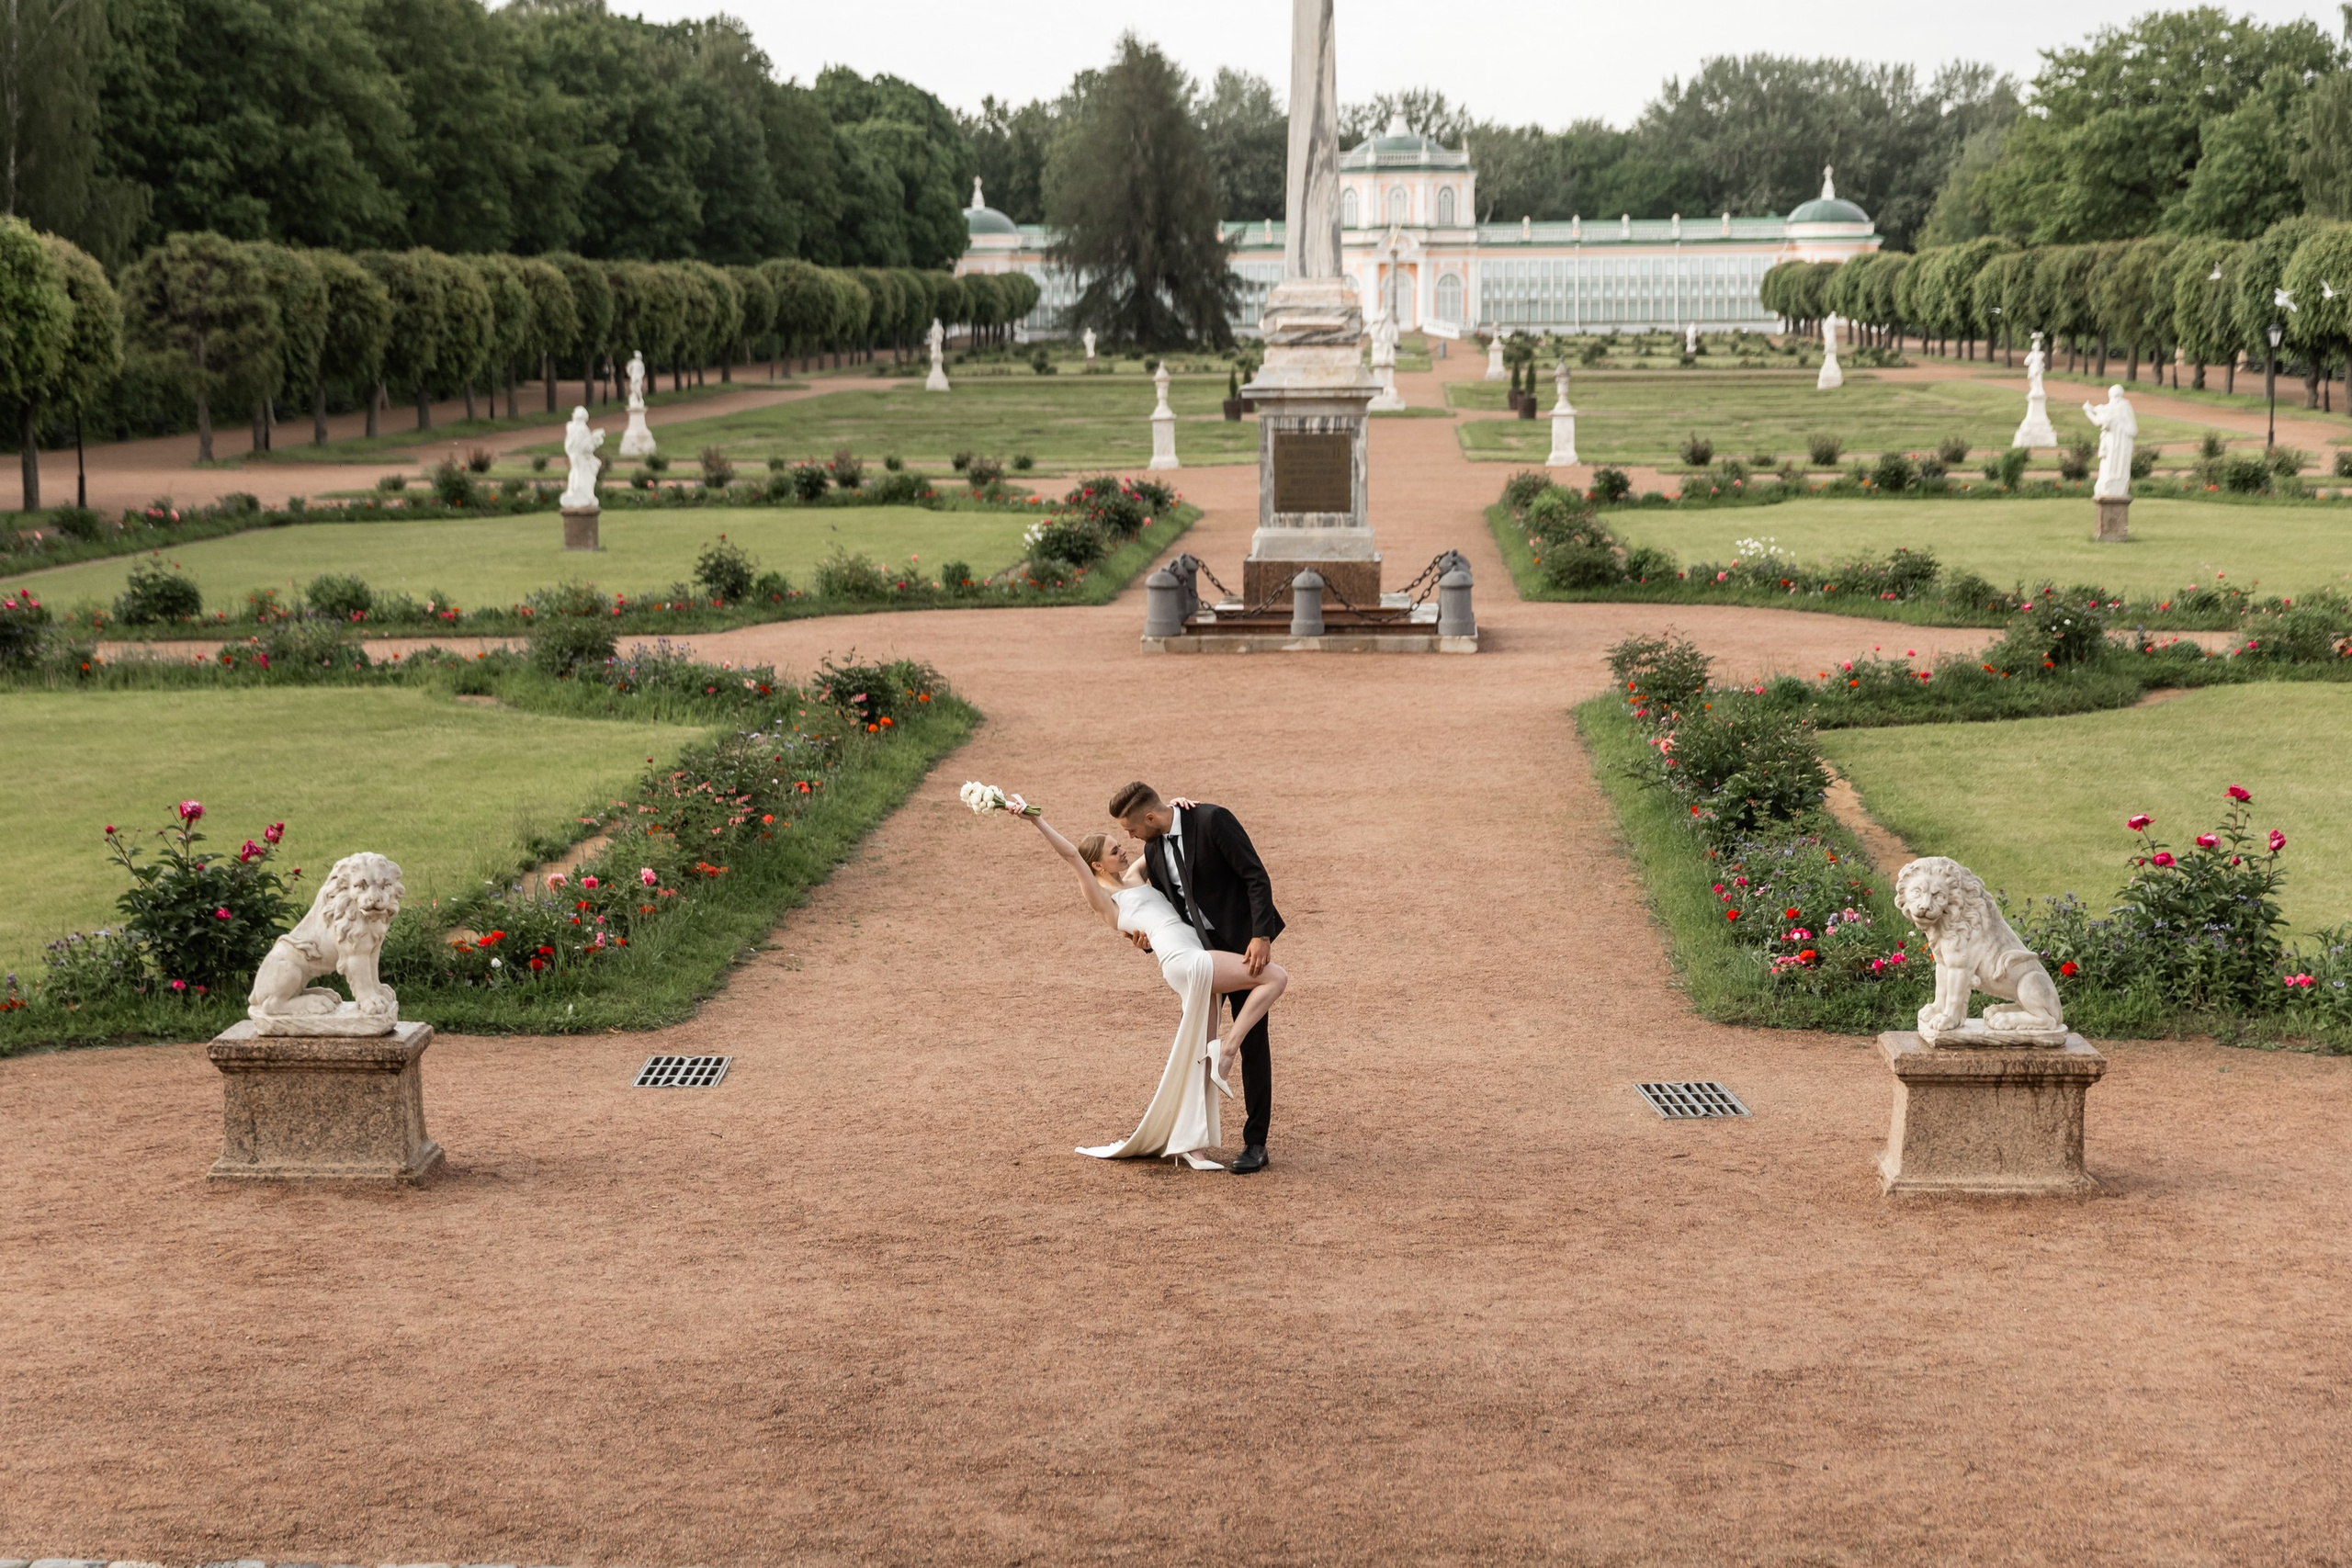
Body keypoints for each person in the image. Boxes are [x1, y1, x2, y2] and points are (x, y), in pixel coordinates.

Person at [1014, 800, 1287, 1172]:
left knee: (1194, 1057)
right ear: (1096, 865)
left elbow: (1163, 831)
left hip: (1194, 953)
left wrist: (1180, 806)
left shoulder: (1138, 874)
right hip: (1183, 960)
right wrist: (1036, 819)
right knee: (1275, 977)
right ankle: (1227, 1048)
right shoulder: (1105, 899)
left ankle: (1191, 1145)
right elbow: (1070, 856)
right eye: (1114, 849)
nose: (1124, 847)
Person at [1112, 782, 1284, 1175]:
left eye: (1132, 829)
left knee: (1253, 1043)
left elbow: (1255, 875)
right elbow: (1168, 913)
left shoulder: (1212, 820)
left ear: (1151, 817)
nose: (1131, 837)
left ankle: (1255, 1143)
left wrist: (1261, 936)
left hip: (1242, 947)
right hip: (1197, 955)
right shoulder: (1154, 852)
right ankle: (1192, 1140)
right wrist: (1144, 942)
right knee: (1195, 1045)